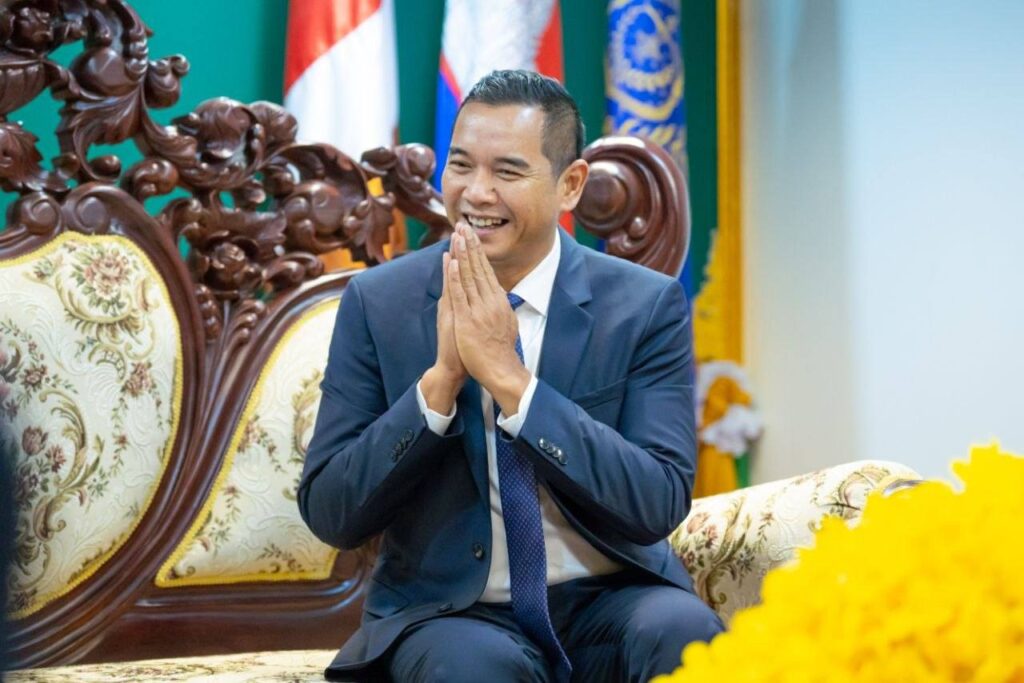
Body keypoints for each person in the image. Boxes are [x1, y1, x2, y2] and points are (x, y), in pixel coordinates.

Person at [298, 69, 723, 683]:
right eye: (461, 165)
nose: (476, 193)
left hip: (609, 598)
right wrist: (440, 383)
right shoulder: (380, 302)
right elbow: (332, 512)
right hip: (452, 613)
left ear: (570, 185)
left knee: (684, 634)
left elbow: (656, 502)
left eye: (507, 171)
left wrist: (513, 385)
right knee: (472, 668)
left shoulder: (643, 305)